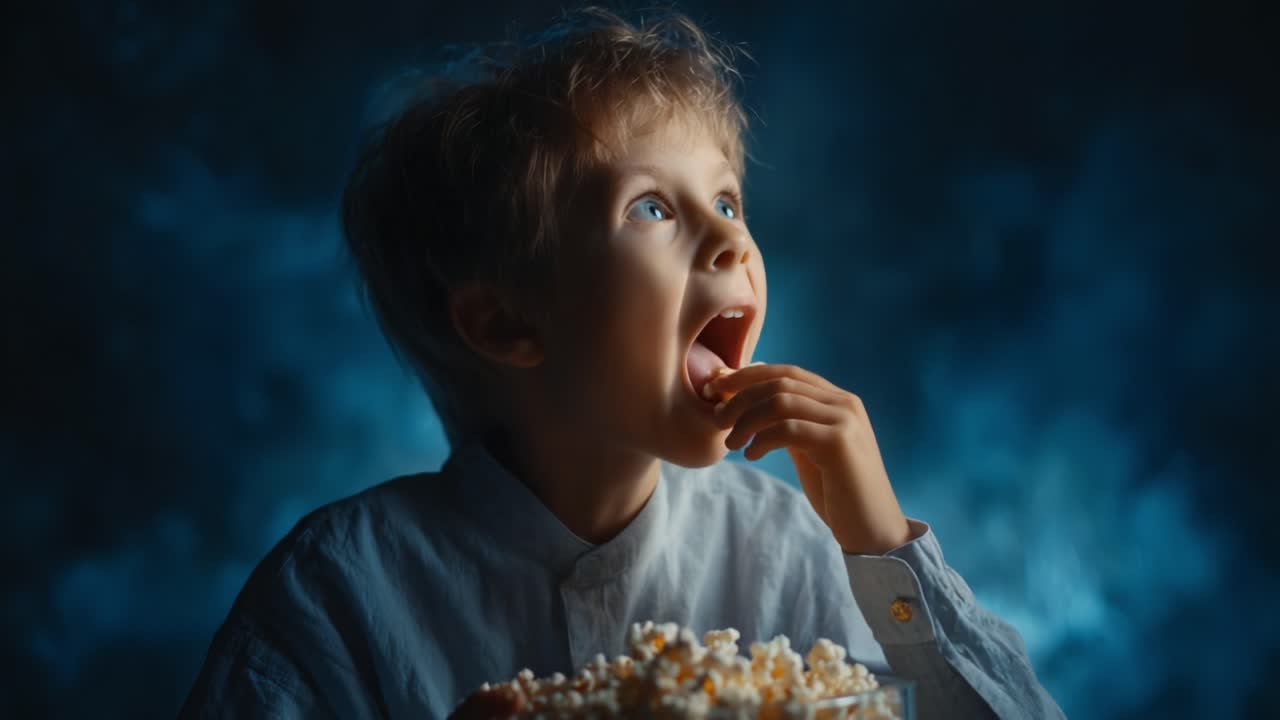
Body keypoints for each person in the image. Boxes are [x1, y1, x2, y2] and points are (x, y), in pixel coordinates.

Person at [180, 6, 1065, 719]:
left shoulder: (791, 552)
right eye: (650, 209)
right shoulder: (337, 593)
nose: (731, 238)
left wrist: (880, 547)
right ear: (506, 322)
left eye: (726, 197)